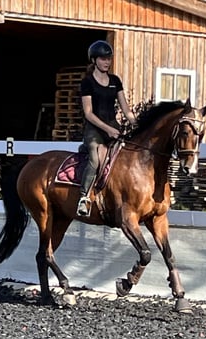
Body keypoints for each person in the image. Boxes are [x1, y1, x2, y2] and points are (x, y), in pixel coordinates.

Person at [77, 39, 137, 217]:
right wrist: (107, 129)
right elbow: (88, 113)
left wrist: (137, 124)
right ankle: (84, 197)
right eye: (103, 59)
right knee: (95, 160)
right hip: (94, 130)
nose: (107, 62)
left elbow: (125, 109)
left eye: (108, 59)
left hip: (114, 127)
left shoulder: (115, 80)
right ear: (94, 60)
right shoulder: (87, 83)